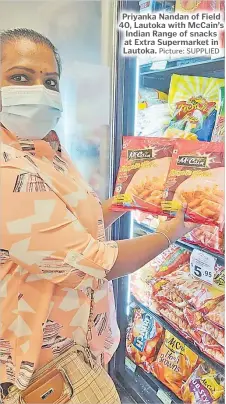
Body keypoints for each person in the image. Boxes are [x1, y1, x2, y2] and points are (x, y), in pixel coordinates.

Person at [0, 28, 196, 403]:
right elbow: (94, 262)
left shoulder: (45, 149)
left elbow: (72, 229)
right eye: (20, 77)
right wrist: (169, 235)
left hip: (81, 344)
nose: (39, 90)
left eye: (50, 80)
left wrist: (124, 203)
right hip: (44, 363)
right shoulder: (7, 170)